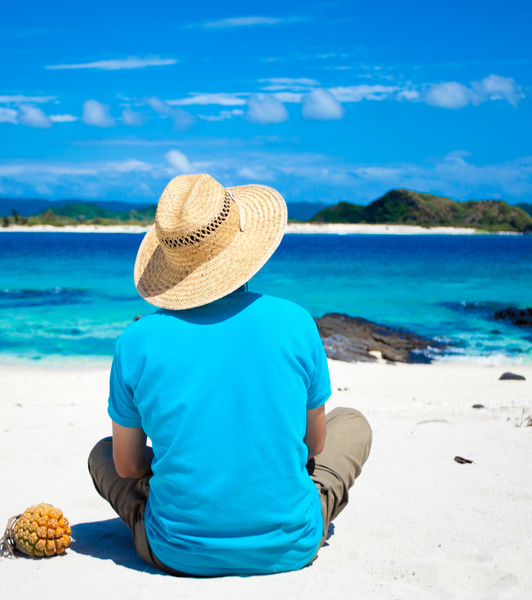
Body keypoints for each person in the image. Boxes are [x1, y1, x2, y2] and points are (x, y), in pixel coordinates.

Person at [88, 174, 372, 576]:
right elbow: (315, 443)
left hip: (176, 552)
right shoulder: (296, 322)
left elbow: (129, 466)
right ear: (245, 244)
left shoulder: (135, 341)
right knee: (353, 424)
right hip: (290, 546)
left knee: (103, 453)